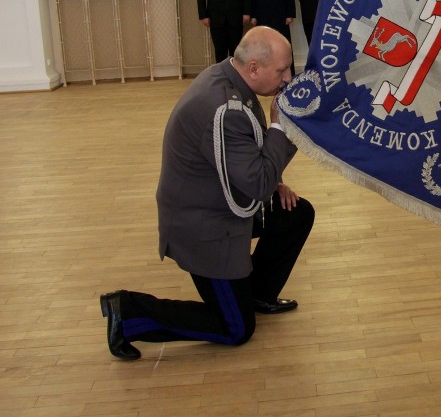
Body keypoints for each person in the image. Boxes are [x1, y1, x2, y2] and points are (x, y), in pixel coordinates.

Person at [99, 27, 315, 360]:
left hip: (224, 202)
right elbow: (255, 181)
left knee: (295, 214)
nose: (288, 78)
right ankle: (127, 314)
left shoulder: (232, 80)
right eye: (282, 71)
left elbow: (246, 155)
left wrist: (275, 181)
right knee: (235, 329)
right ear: (254, 68)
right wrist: (280, 127)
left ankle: (254, 294)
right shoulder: (224, 107)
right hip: (204, 228)